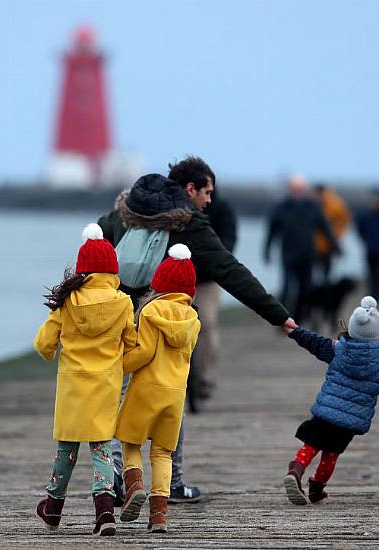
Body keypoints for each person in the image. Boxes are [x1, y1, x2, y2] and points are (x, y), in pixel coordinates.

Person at [98, 158, 294, 505]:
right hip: (164, 322)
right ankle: (172, 483)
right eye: (207, 192)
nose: (209, 201)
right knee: (171, 400)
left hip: (122, 319)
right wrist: (277, 315)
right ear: (190, 189)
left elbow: (99, 247)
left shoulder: (127, 211)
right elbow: (230, 271)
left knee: (120, 399)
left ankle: (117, 480)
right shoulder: (188, 223)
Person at [33, 223, 137, 536]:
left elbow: (43, 345)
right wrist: (118, 362)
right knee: (102, 450)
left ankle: (53, 509)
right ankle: (105, 513)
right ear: (112, 271)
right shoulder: (122, 303)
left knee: (67, 450)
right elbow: (132, 345)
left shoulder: (68, 303)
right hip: (105, 386)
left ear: (83, 271)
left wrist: (57, 346)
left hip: (72, 389)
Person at [115, 244, 201, 533]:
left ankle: (135, 485)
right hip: (175, 396)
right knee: (163, 453)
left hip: (146, 391)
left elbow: (144, 353)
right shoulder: (193, 320)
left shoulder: (151, 310)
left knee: (130, 443)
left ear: (160, 283)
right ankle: (159, 517)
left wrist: (120, 364)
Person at [281, 296, 379, 505]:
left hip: (326, 412)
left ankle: (296, 470)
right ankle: (317, 488)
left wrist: (294, 330)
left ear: (352, 328)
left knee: (311, 446)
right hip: (349, 423)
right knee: (330, 455)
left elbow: (312, 341)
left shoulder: (338, 349)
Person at [264, 174, 338, 323]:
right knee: (287, 288)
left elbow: (324, 228)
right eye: (294, 189)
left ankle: (300, 318)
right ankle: (282, 318)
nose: (297, 192)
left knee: (306, 289)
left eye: (300, 189)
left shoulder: (312, 207)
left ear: (304, 190)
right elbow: (272, 231)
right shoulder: (282, 207)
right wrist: (267, 251)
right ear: (290, 189)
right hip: (288, 255)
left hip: (308, 255)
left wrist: (335, 247)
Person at [188, 185, 237, 408]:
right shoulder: (182, 209)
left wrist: (214, 260)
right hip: (180, 279)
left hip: (208, 279)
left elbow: (229, 242)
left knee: (207, 324)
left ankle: (206, 377)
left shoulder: (222, 209)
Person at [313, 184, 351, 284]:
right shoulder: (311, 205)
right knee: (313, 273)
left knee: (327, 271)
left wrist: (337, 235)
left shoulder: (335, 205)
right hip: (314, 246)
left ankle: (325, 289)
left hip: (328, 244)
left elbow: (344, 220)